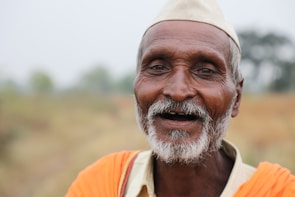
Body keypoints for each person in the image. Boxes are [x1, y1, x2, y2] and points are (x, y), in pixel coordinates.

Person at [66, 0, 295, 196]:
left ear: (236, 98)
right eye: (157, 67)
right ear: (136, 86)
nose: (177, 91)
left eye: (205, 70)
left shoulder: (277, 191)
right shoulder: (100, 186)